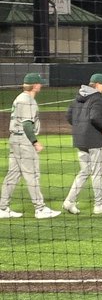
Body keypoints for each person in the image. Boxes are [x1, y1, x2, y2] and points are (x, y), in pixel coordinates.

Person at [0, 73, 61, 219]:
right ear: (35, 85)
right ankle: (40, 209)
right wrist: (35, 142)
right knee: (32, 174)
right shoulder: (27, 100)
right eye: (39, 83)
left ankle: (2, 208)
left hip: (15, 139)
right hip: (24, 141)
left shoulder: (20, 97)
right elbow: (27, 124)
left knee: (13, 175)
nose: (41, 85)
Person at [64, 73, 102, 215]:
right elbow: (95, 117)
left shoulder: (77, 98)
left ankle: (69, 201)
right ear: (97, 85)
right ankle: (99, 205)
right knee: (97, 173)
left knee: (84, 172)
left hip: (80, 141)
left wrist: (81, 128)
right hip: (95, 141)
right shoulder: (98, 99)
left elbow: (69, 116)